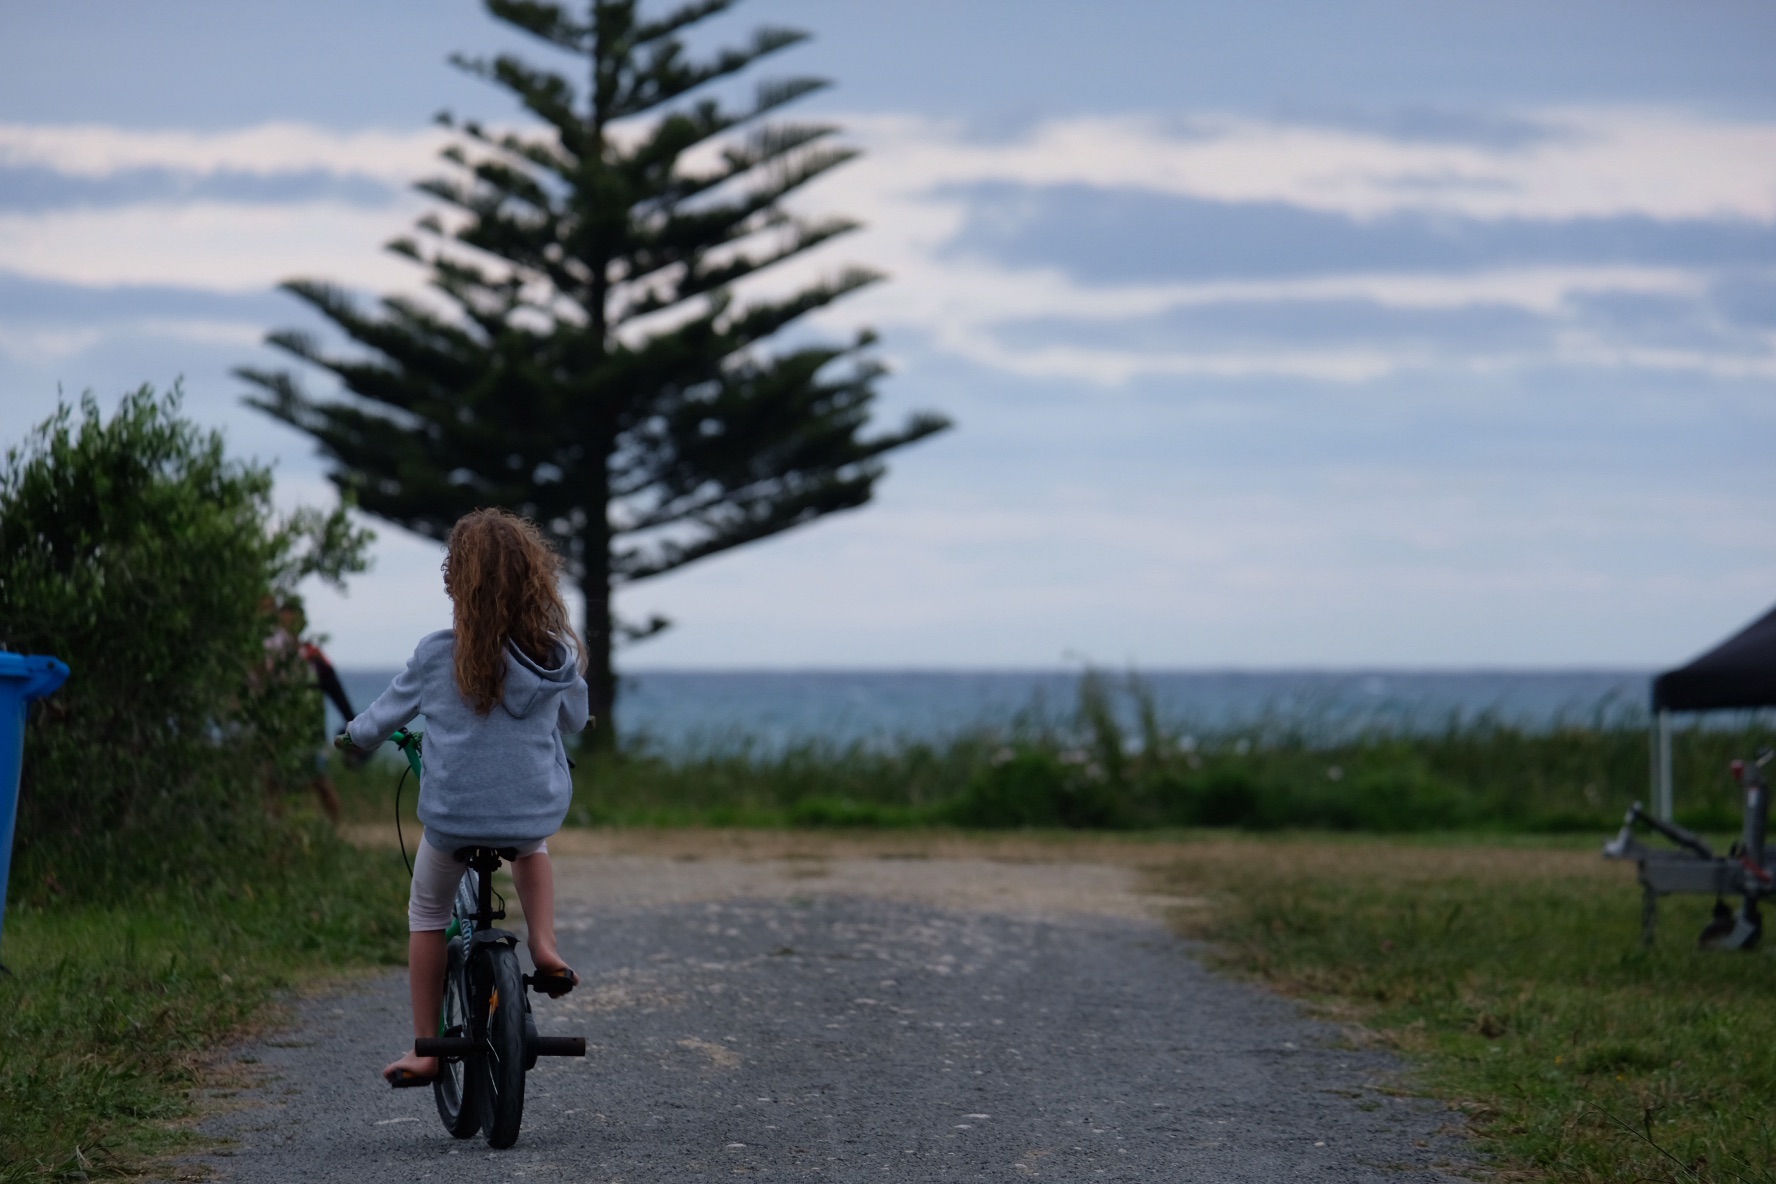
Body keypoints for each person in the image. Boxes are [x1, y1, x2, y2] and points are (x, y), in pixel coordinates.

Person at [339, 508, 592, 1088]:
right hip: (529, 810)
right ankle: (546, 946)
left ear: (456, 582)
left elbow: (380, 719)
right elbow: (576, 720)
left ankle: (427, 1050)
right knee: (531, 846)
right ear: (535, 580)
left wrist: (353, 737)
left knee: (427, 914)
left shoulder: (435, 655)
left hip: (452, 819)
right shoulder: (554, 656)